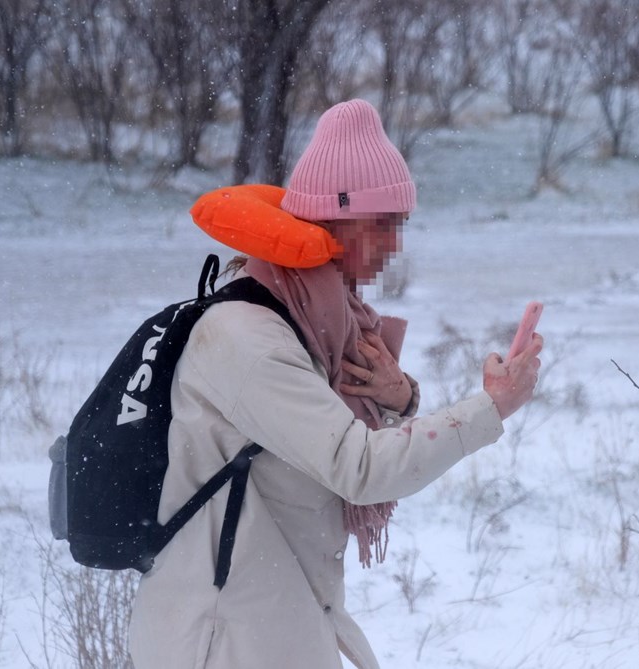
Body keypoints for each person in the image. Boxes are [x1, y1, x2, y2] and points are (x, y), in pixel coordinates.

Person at [128, 99, 543, 669]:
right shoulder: (247, 338)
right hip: (221, 638)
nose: (395, 246)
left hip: (280, 618)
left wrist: (399, 400)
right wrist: (490, 409)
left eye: (400, 225)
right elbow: (360, 467)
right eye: (383, 226)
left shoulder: (317, 322)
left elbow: (327, 455)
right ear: (332, 221)